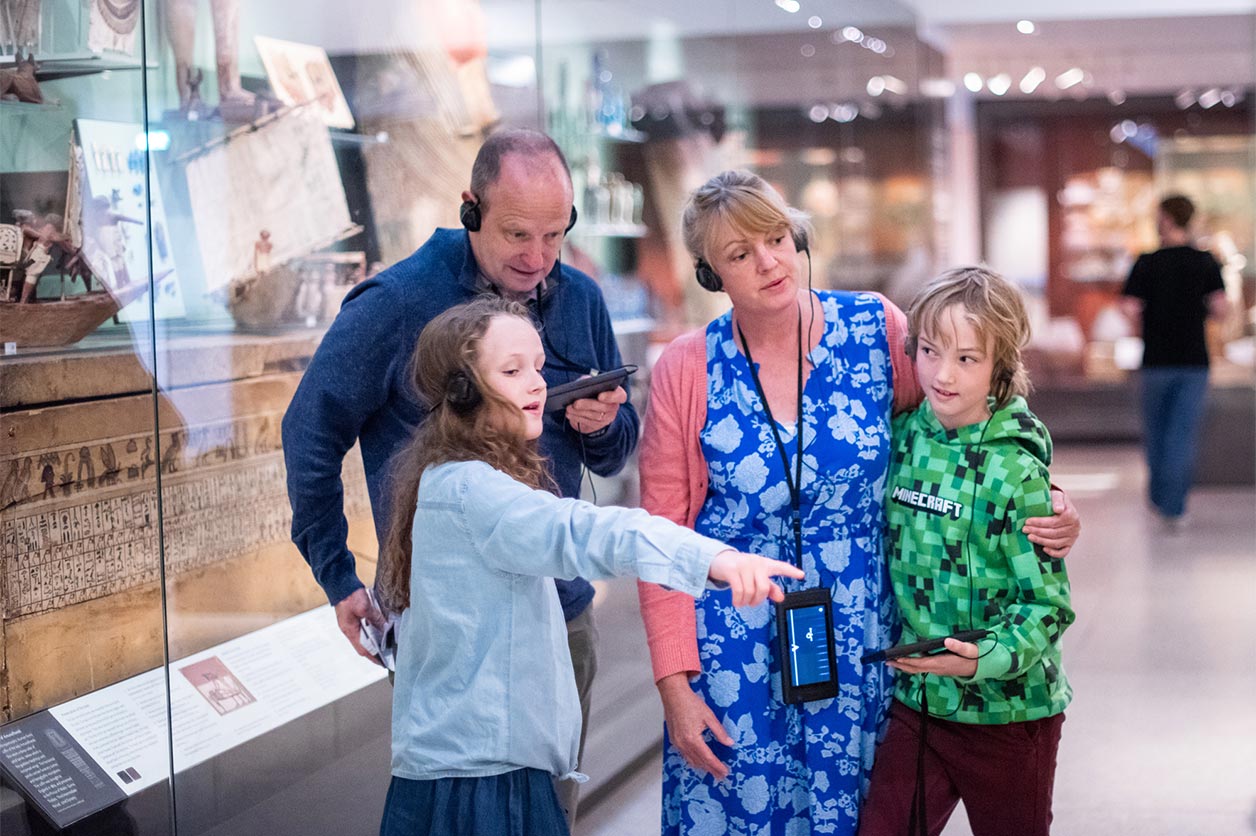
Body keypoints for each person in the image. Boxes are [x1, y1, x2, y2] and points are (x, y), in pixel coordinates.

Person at [636, 170, 1080, 835]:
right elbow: (660, 539)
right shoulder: (688, 366)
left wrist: (1044, 497)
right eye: (740, 253)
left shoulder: (873, 328)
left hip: (861, 637)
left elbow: (959, 428)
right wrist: (675, 686)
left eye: (777, 239)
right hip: (735, 649)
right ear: (710, 273)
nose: (769, 262)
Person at [281, 128, 638, 827]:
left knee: (548, 819)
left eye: (555, 236)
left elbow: (614, 453)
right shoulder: (395, 302)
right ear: (470, 209)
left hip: (561, 617)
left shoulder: (581, 299)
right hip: (447, 631)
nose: (538, 258)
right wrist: (337, 575)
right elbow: (309, 430)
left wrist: (602, 425)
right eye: (517, 235)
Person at [374, 297, 804, 836]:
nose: (537, 384)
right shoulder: (474, 491)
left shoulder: (452, 478)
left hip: (467, 763)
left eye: (537, 367)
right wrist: (713, 557)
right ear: (462, 391)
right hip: (482, 782)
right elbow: (588, 532)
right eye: (511, 371)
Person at [858, 266, 1074, 836]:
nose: (943, 374)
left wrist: (979, 659)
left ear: (1001, 365)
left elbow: (1047, 607)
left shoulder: (1017, 472)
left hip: (1010, 715)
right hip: (921, 702)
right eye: (930, 351)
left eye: (967, 358)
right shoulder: (904, 435)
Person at [1120, 194, 1229, 531]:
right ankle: (1174, 506)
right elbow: (1221, 308)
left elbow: (1129, 308)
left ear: (1166, 219)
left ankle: (1158, 497)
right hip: (1194, 362)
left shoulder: (1147, 262)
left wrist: (1151, 319)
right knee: (1181, 433)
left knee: (1156, 433)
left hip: (1156, 361)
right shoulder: (1206, 262)